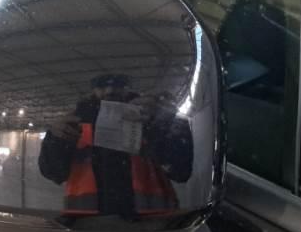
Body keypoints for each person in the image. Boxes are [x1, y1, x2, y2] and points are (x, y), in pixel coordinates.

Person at [38, 74, 192, 218]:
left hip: (153, 224)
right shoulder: (73, 125)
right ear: (93, 91)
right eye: (101, 86)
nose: (110, 90)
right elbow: (53, 172)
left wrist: (162, 125)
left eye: (119, 85)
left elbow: (180, 171)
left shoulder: (150, 120)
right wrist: (55, 139)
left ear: (128, 88)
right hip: (86, 224)